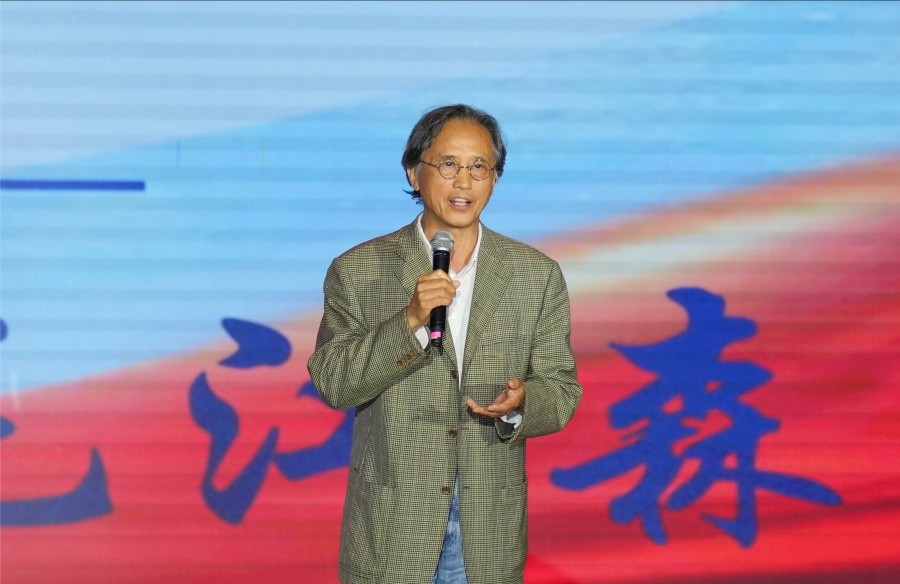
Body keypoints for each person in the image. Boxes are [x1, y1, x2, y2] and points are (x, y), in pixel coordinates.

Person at [307, 104, 582, 584]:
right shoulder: (359, 270)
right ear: (414, 173)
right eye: (449, 164)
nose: (464, 181)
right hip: (392, 525)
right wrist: (410, 320)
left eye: (479, 167)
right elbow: (334, 382)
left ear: (495, 179)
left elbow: (561, 391)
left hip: (487, 527)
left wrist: (522, 404)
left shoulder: (535, 275)